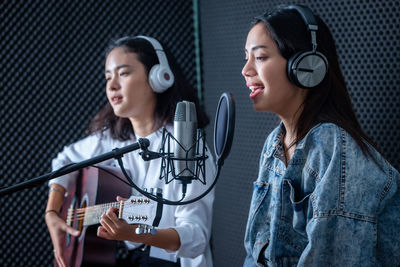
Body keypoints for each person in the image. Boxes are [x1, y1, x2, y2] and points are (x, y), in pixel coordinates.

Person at [241, 4, 400, 266]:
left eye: (259, 57)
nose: (245, 70)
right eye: (245, 57)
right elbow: (255, 252)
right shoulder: (274, 143)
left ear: (306, 66)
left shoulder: (332, 147)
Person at [44, 35, 216, 267]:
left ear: (159, 78)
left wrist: (135, 233)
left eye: (123, 73)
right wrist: (53, 212)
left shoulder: (185, 145)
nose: (112, 85)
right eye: (108, 77)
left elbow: (196, 237)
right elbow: (65, 159)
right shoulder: (112, 139)